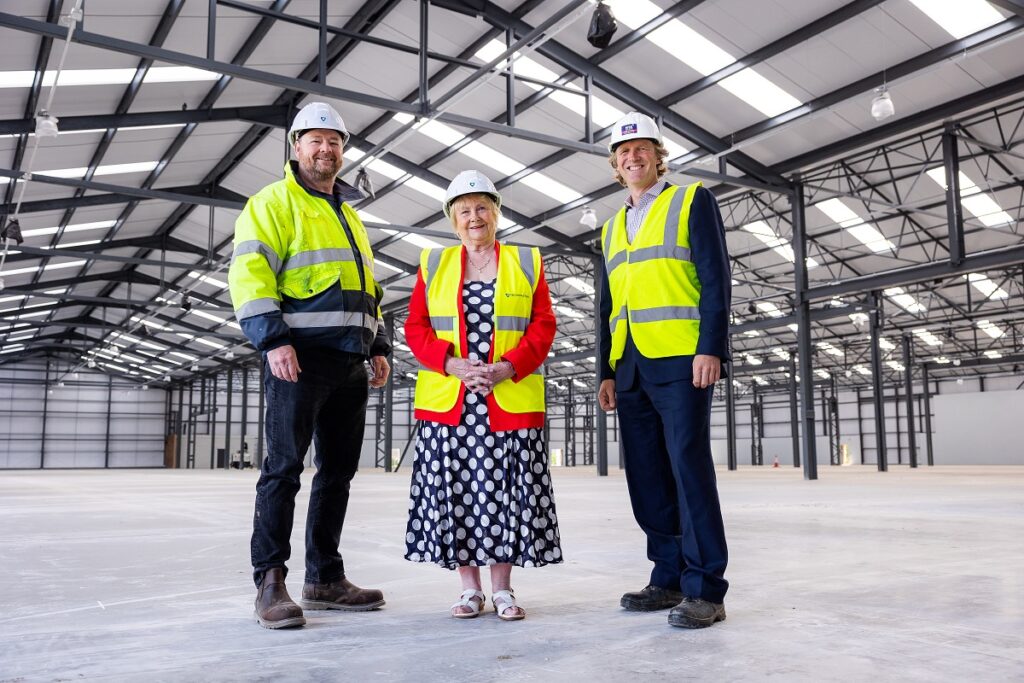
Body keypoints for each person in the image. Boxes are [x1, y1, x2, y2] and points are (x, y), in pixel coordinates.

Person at [228, 101, 391, 629]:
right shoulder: (271, 203)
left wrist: (380, 343)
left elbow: (369, 287)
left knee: (338, 472)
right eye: (315, 140)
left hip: (349, 360)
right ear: (295, 147)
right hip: (296, 358)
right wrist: (271, 339)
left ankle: (324, 576)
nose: (326, 149)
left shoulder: (349, 214)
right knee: (283, 470)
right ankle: (270, 583)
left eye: (335, 141)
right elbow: (250, 274)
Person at [404, 170, 560, 621]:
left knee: (506, 493)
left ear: (496, 213)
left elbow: (543, 324)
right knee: (458, 493)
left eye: (482, 209)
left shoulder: (527, 261)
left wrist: (508, 368)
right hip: (450, 402)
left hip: (506, 395)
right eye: (465, 211)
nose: (475, 217)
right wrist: (449, 363)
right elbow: (415, 327)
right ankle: (469, 590)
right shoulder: (433, 264)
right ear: (453, 220)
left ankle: (504, 589)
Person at [596, 112, 731, 629]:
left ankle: (705, 589)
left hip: (681, 358)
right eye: (624, 152)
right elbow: (608, 303)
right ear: (615, 164)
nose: (633, 157)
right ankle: (667, 575)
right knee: (648, 477)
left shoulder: (691, 200)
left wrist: (711, 346)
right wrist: (605, 370)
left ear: (658, 155)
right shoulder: (611, 228)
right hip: (629, 365)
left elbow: (716, 277)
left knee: (688, 469)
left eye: (642, 149)